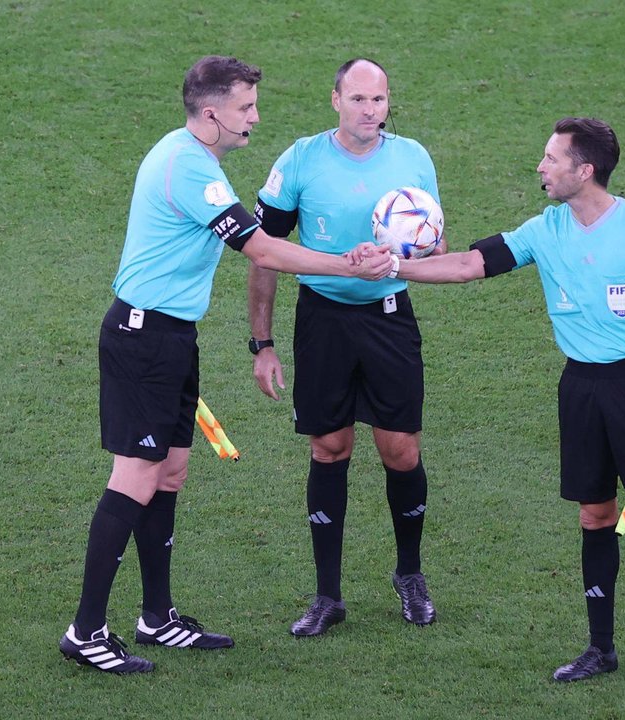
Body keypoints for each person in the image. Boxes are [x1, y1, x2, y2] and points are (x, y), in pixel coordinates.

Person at [58, 55, 392, 675]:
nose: (255, 118)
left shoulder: (192, 155)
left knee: (171, 473)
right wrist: (348, 263)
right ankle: (85, 631)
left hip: (172, 338)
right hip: (143, 341)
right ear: (211, 113)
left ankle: (155, 618)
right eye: (246, 108)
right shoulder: (188, 167)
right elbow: (258, 247)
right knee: (132, 478)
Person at [386, 117, 625, 683]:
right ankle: (600, 648)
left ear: (584, 171)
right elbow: (469, 264)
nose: (541, 167)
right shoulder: (546, 228)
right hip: (580, 388)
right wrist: (394, 267)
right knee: (595, 514)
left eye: (551, 158)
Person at [248, 58, 447, 636]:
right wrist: (262, 342)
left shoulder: (413, 159)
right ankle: (327, 595)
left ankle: (409, 574)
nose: (370, 112)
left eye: (379, 101)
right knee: (329, 447)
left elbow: (435, 244)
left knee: (401, 450)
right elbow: (263, 251)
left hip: (388, 318)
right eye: (358, 100)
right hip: (323, 321)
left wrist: (402, 257)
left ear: (389, 104)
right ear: (335, 99)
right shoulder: (301, 161)